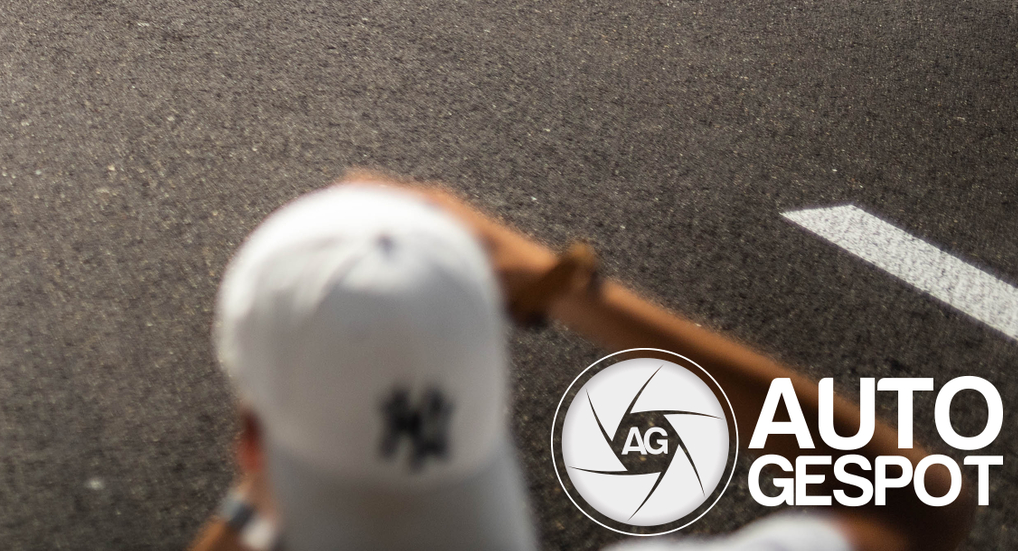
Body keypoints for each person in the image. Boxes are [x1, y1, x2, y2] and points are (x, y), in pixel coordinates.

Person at [191, 177, 973, 551]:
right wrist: (560, 282)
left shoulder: (258, 481)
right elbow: (923, 501)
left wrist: (244, 514)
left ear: (252, 442)